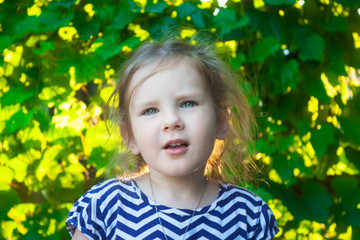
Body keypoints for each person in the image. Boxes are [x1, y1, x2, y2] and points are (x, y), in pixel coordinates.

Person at [66, 37, 279, 240]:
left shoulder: (248, 215)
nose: (171, 121)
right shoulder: (104, 206)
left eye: (187, 103)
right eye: (150, 110)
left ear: (222, 120)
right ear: (130, 137)